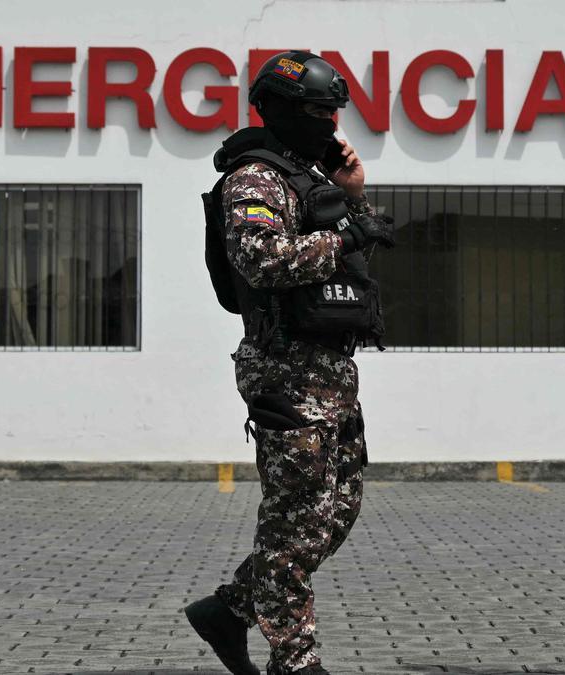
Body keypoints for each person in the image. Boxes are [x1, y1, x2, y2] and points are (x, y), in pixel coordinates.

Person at [185, 51, 398, 675]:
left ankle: (229, 609)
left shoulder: (310, 178)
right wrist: (348, 233)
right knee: (293, 519)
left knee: (335, 513)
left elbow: (340, 259)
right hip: (283, 368)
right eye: (316, 111)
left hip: (330, 370)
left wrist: (352, 199)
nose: (330, 124)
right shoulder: (254, 178)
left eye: (333, 111)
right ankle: (295, 660)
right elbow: (262, 261)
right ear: (278, 109)